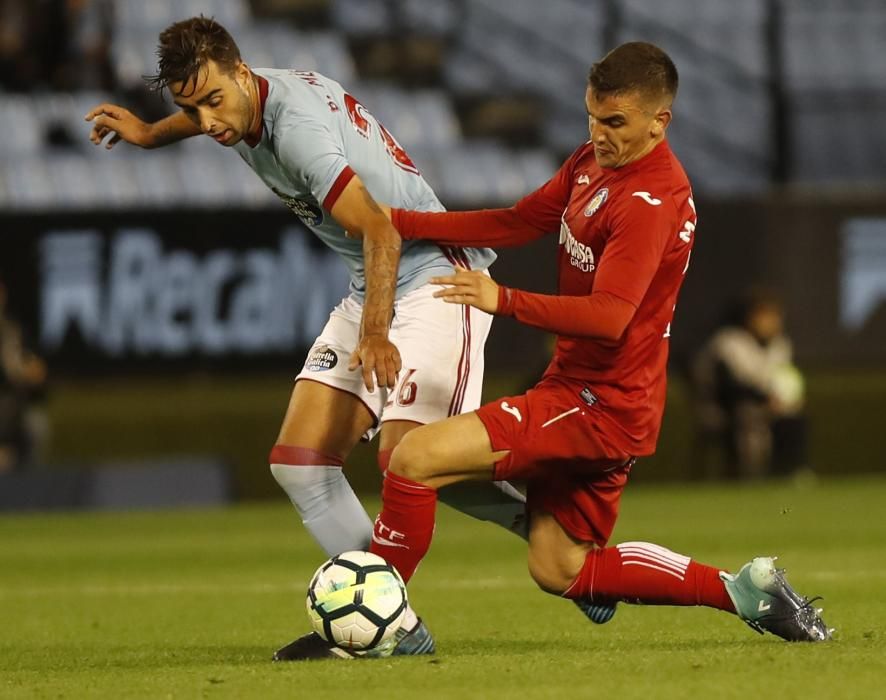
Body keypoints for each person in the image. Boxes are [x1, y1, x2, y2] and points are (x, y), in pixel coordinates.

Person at [84, 15, 573, 661]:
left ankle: (559, 528)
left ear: (240, 70)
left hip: (435, 279)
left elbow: (381, 230)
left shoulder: (298, 132)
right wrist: (151, 132)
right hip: (373, 282)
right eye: (189, 109)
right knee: (300, 463)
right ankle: (384, 620)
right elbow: (208, 112)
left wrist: (376, 333)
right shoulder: (242, 101)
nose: (207, 123)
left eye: (211, 102)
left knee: (412, 459)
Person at [364, 42, 831, 648]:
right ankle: (747, 590)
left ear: (659, 122)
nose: (598, 133)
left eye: (614, 122)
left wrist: (501, 298)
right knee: (558, 567)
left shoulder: (649, 202)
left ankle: (382, 627)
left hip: (598, 404)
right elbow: (521, 219)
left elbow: (611, 317)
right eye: (592, 116)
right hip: (594, 396)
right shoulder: (592, 161)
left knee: (411, 458)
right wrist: (401, 223)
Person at [691, 288, 809, 480]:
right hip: (730, 406)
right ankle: (746, 477)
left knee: (794, 419)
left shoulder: (781, 344)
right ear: (750, 316)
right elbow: (728, 388)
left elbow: (784, 379)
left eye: (775, 317)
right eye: (765, 316)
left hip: (769, 405)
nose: (771, 322)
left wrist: (788, 398)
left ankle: (790, 474)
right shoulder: (729, 343)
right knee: (746, 418)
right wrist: (763, 399)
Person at [0, 278, 49, 472]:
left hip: (14, 410)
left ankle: (29, 488)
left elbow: (40, 384)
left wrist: (31, 372)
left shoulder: (15, 332)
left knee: (37, 424)